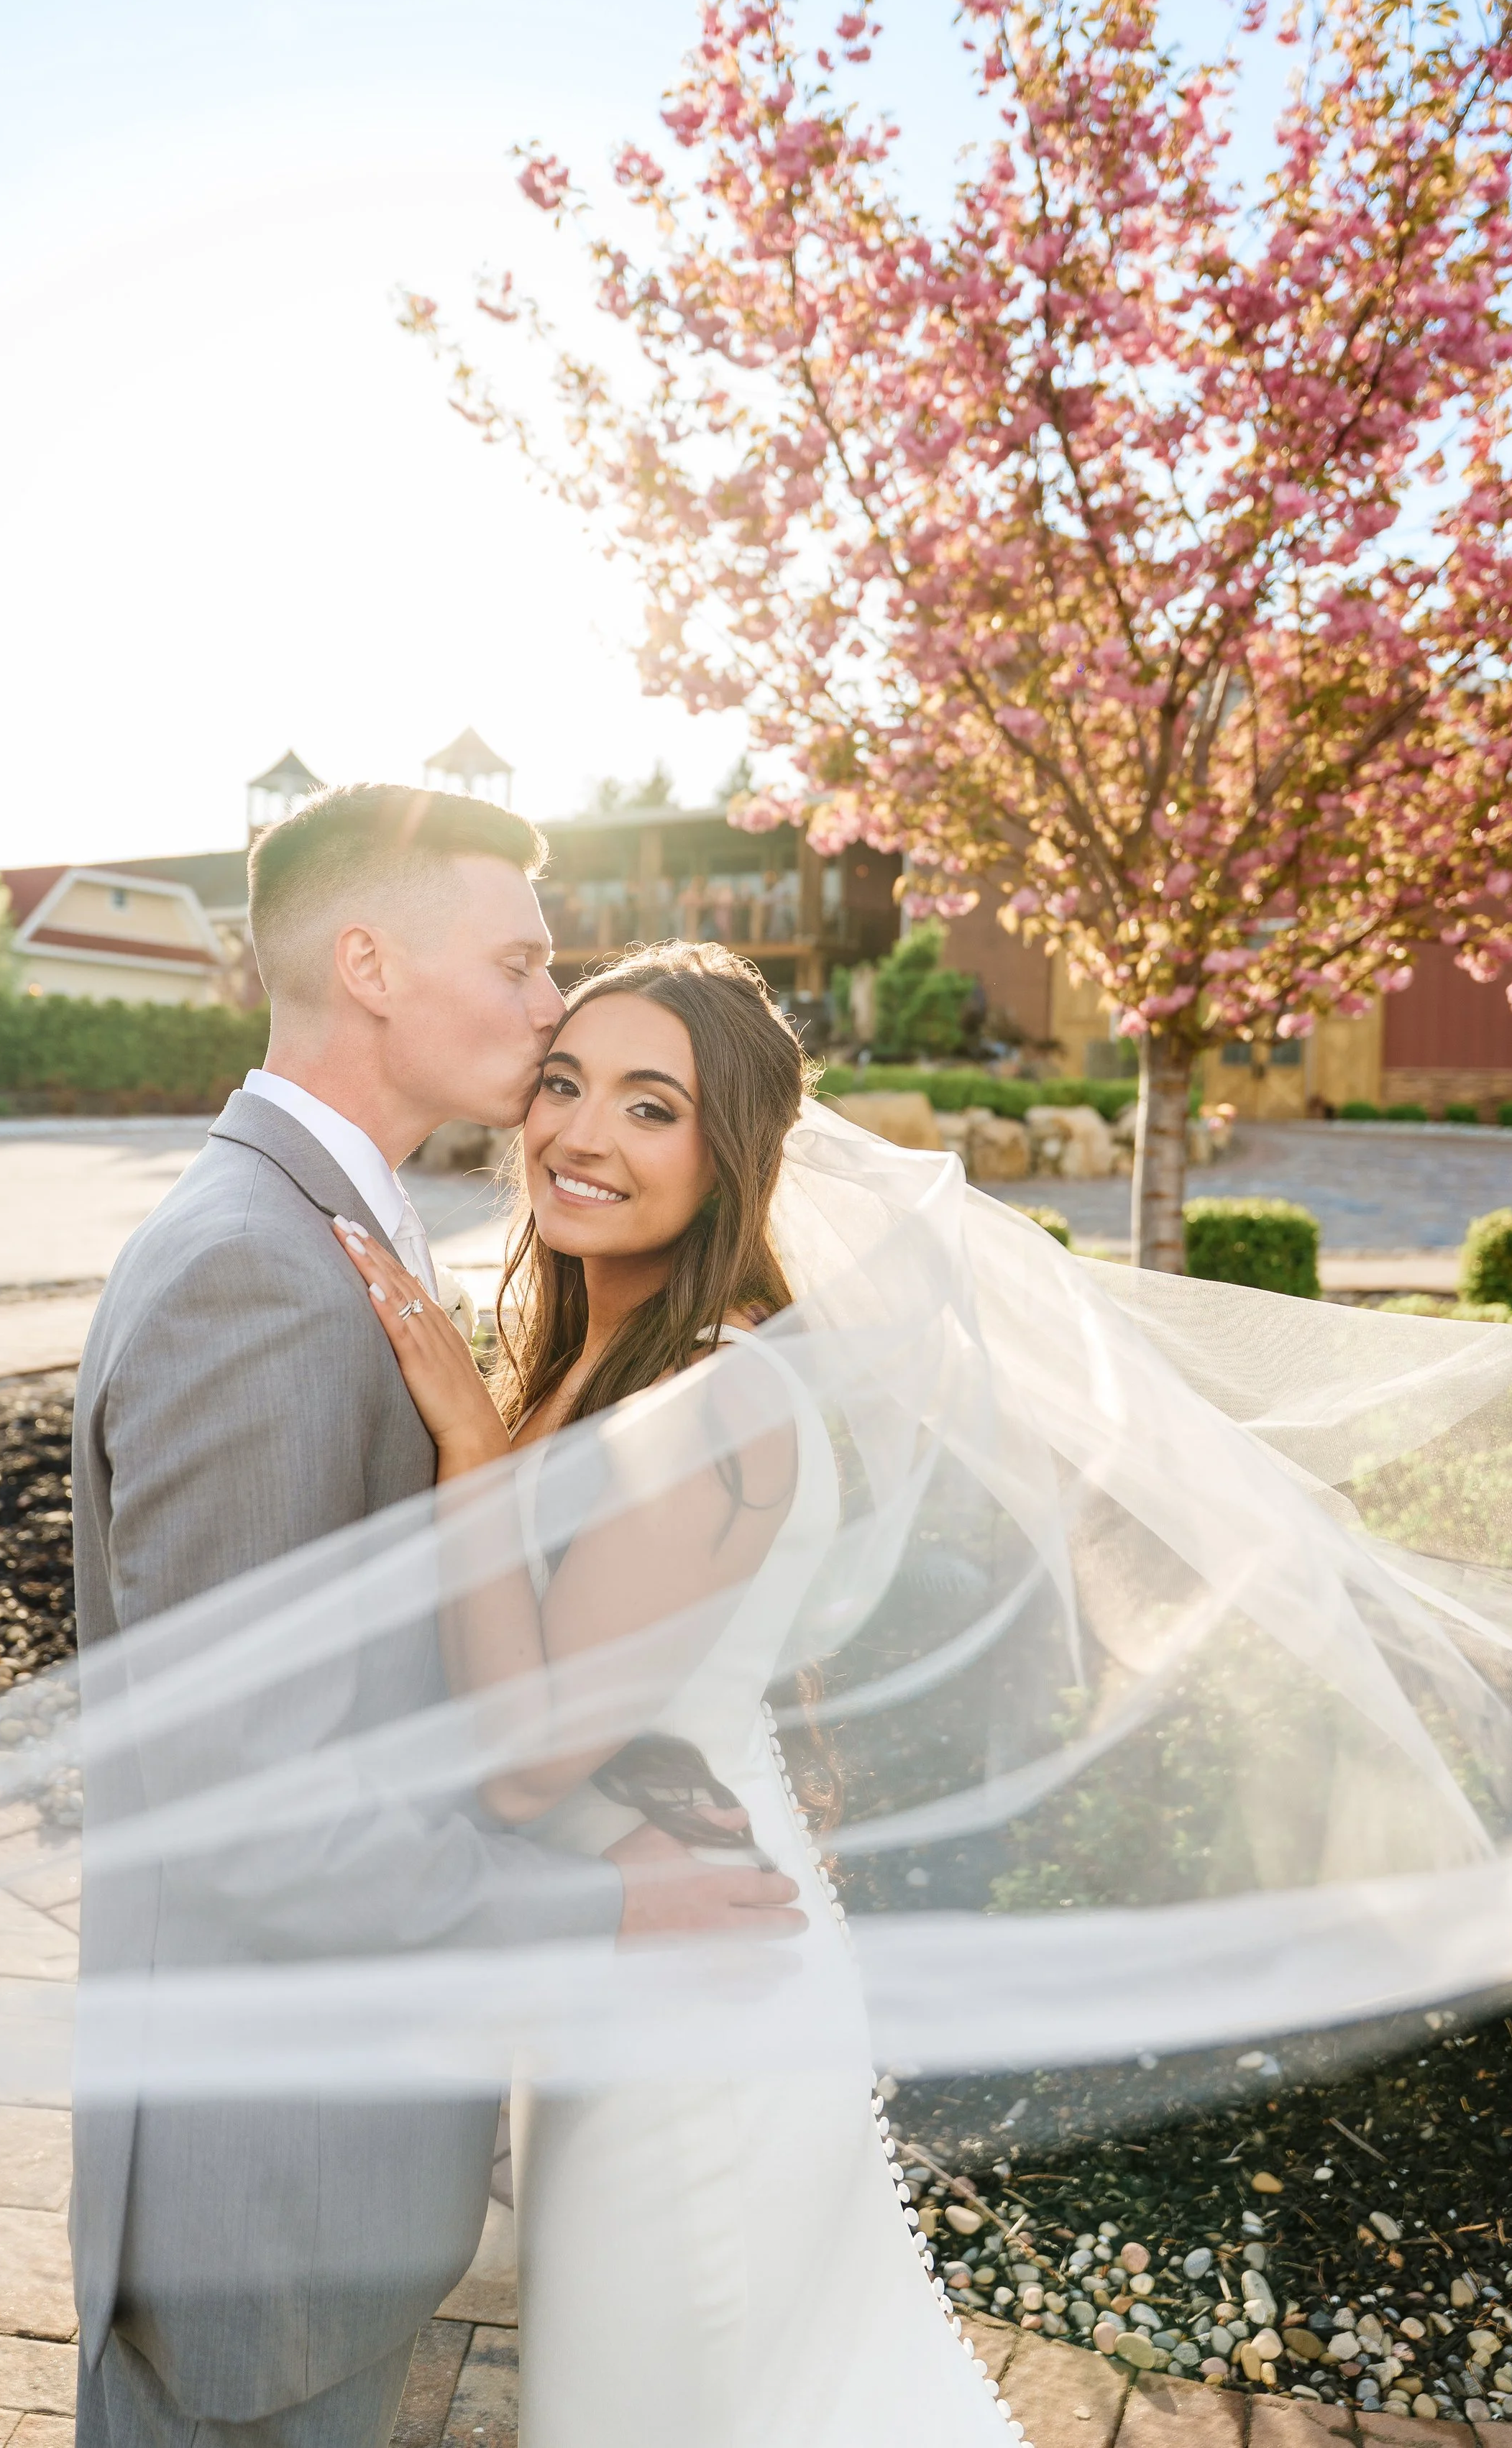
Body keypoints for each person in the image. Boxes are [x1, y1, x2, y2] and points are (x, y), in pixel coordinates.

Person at [69, 792, 801, 2448]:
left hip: (323, 2160)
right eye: (521, 962)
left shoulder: (333, 1235)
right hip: (268, 2195)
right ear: (370, 966)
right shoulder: (256, 1272)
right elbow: (249, 1813)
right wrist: (603, 1908)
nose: (550, 1004)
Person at [334, 940, 1019, 2448]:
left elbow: (526, 1760)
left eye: (651, 1108)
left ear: (733, 1157)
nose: (582, 1135)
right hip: (629, 1956)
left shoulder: (721, 1396)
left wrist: (468, 1454)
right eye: (563, 1084)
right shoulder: (592, 1356)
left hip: (700, 2020)